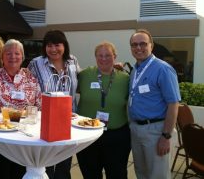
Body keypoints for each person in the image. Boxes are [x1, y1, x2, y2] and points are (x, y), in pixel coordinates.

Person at [28, 30, 80, 179]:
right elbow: (28, 86)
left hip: (68, 121)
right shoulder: (36, 63)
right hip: (45, 122)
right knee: (46, 164)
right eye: (49, 45)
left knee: (64, 165)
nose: (53, 49)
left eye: (57, 45)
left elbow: (80, 79)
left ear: (64, 46)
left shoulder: (73, 61)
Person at [128, 29, 180, 179]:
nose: (138, 48)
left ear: (151, 45)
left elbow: (173, 104)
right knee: (141, 173)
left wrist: (166, 136)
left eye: (143, 44)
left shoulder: (163, 69)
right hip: (137, 130)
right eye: (134, 45)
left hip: (157, 132)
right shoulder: (135, 70)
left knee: (158, 175)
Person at [0, 39, 41, 179]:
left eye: (17, 53)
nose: (13, 57)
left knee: (20, 173)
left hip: (23, 137)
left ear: (22, 57)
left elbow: (38, 106)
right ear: (2, 57)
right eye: (8, 53)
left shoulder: (31, 78)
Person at [76, 41, 131, 179]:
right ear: (95, 57)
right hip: (87, 136)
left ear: (115, 56)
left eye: (108, 55)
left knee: (117, 174)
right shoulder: (84, 75)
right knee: (90, 174)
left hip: (117, 136)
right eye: (100, 55)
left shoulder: (125, 78)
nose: (104, 59)